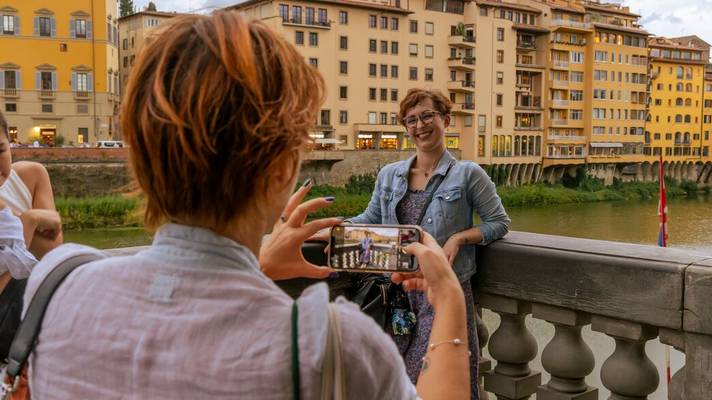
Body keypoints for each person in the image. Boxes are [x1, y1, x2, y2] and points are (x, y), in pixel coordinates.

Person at [22, 12, 469, 399]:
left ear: (140, 155)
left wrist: (257, 265)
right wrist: (448, 299)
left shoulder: (54, 283)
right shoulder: (331, 347)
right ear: (279, 172)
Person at [348, 88, 511, 399]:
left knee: (442, 373)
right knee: (398, 376)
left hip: (443, 292)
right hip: (398, 294)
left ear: (445, 120)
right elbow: (370, 218)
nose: (419, 125)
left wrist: (459, 238)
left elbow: (499, 222)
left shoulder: (467, 174)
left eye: (426, 116)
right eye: (411, 120)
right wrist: (333, 229)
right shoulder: (389, 175)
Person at [0, 110, 62, 260]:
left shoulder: (32, 176)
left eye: (0, 150)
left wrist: (27, 218)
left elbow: (52, 253)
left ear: (10, 145)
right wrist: (29, 220)